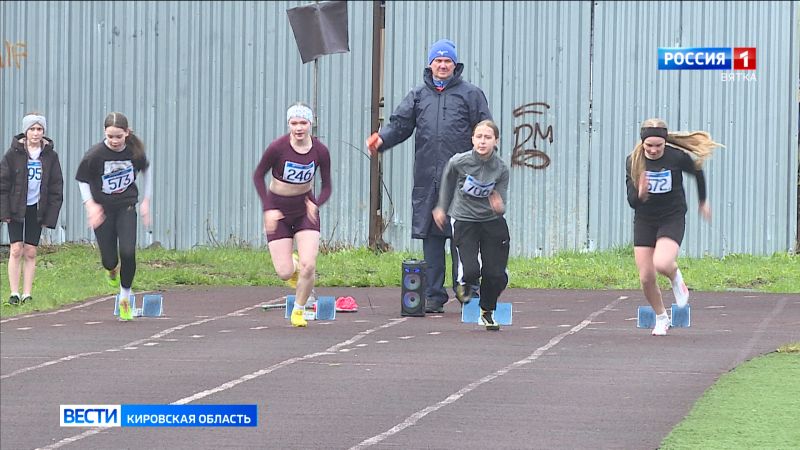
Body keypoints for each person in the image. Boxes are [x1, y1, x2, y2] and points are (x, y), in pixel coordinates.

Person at [367, 38, 492, 313]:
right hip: (428, 180)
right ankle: (435, 296)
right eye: (438, 60)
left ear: (455, 65)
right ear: (430, 64)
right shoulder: (418, 95)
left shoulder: (471, 94)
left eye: (448, 61)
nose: (443, 65)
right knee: (432, 239)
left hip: (463, 182)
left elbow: (485, 131)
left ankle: (468, 295)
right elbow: (400, 125)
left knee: (463, 239)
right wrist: (382, 140)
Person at [625, 118, 723, 336]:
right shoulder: (634, 161)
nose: (653, 150)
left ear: (665, 142)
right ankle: (661, 318)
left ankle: (676, 279)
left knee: (662, 262)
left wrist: (703, 201)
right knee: (646, 277)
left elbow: (698, 173)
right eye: (649, 145)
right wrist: (640, 194)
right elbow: (632, 201)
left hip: (672, 216)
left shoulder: (676, 157)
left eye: (658, 145)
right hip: (645, 219)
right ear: (642, 143)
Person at [254, 103, 332, 327]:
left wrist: (316, 204)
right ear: (289, 124)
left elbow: (327, 186)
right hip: (279, 212)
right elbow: (258, 176)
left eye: (303, 123)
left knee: (310, 265)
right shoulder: (277, 148)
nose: (299, 128)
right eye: (294, 123)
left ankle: (298, 310)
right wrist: (268, 208)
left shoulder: (320, 151)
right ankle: (294, 265)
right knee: (285, 273)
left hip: (304, 211)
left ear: (310, 124)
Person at [433, 120, 509, 330]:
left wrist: (498, 205)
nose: (482, 142)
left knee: (495, 274)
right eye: (479, 137)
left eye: (487, 137)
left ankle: (487, 312)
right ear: (472, 139)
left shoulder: (501, 168)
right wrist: (442, 207)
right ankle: (464, 284)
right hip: (465, 220)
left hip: (491, 221)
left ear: (496, 141)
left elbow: (501, 202)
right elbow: (447, 181)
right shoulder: (460, 161)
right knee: (472, 269)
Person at [75, 112, 152, 321]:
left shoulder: (134, 151)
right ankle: (111, 271)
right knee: (110, 260)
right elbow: (81, 180)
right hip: (102, 209)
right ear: (104, 133)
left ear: (126, 133)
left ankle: (125, 298)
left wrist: (146, 200)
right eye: (110, 136)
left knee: (128, 251)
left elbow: (146, 170)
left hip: (126, 206)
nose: (114, 141)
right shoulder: (95, 155)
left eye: (118, 136)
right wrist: (90, 205)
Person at [0, 112, 64, 305]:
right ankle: (14, 293)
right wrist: (4, 212)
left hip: (36, 207)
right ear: (25, 131)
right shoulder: (13, 154)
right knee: (16, 249)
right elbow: (3, 183)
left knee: (30, 251)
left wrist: (50, 216)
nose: (36, 133)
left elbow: (56, 187)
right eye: (32, 129)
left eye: (39, 129)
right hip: (15, 207)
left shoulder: (50, 156)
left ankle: (27, 293)